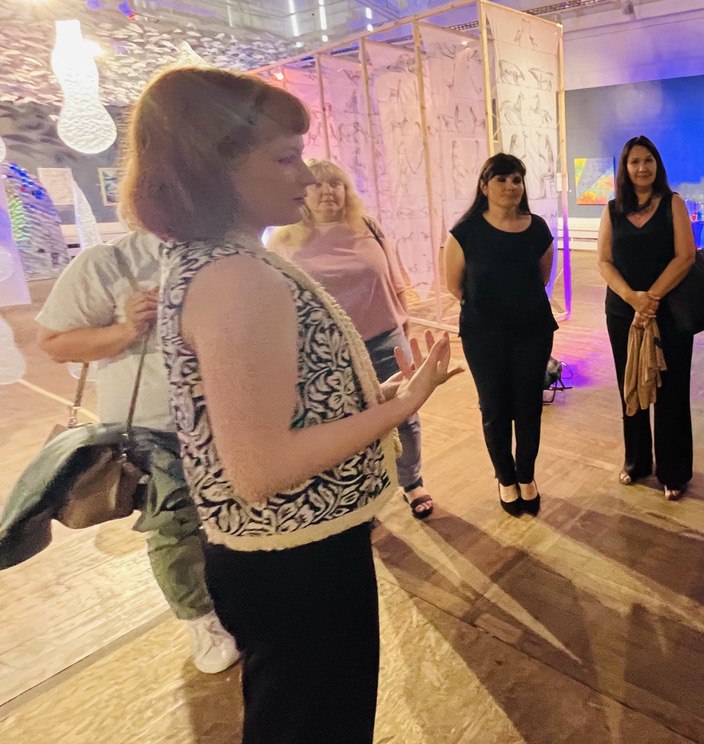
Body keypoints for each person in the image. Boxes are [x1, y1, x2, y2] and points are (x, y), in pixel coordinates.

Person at [120, 67, 459, 744]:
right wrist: (401, 408)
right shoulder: (236, 275)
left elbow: (270, 412)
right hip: (295, 558)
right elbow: (262, 467)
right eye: (284, 158)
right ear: (212, 167)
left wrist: (378, 396)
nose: (305, 178)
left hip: (285, 553)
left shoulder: (218, 259)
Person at [34, 231, 240, 675]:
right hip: (152, 426)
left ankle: (235, 596)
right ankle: (200, 618)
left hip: (229, 416)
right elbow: (53, 343)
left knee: (232, 513)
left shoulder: (224, 248)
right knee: (173, 524)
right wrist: (126, 329)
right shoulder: (108, 263)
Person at [269, 159, 434, 520]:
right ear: (302, 192)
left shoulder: (368, 227)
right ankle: (363, 494)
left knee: (404, 414)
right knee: (348, 424)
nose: (328, 191)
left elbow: (395, 282)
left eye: (336, 184)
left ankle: (411, 480)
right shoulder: (282, 240)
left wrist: (404, 324)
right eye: (317, 184)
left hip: (385, 341)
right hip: (329, 351)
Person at [442, 153, 557, 516]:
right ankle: (505, 478)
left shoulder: (537, 229)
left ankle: (527, 476)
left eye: (517, 180)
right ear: (484, 186)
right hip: (483, 334)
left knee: (528, 406)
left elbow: (542, 278)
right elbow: (455, 285)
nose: (510, 186)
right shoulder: (466, 232)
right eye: (501, 179)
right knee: (494, 408)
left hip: (532, 330)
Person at [597, 135, 697, 501]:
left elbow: (685, 256)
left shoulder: (673, 203)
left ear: (658, 165)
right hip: (623, 311)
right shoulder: (612, 209)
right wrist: (632, 298)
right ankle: (636, 461)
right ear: (625, 168)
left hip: (670, 310)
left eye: (648, 160)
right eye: (635, 161)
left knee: (672, 390)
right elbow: (604, 261)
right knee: (631, 386)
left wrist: (651, 297)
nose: (642, 168)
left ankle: (673, 471)